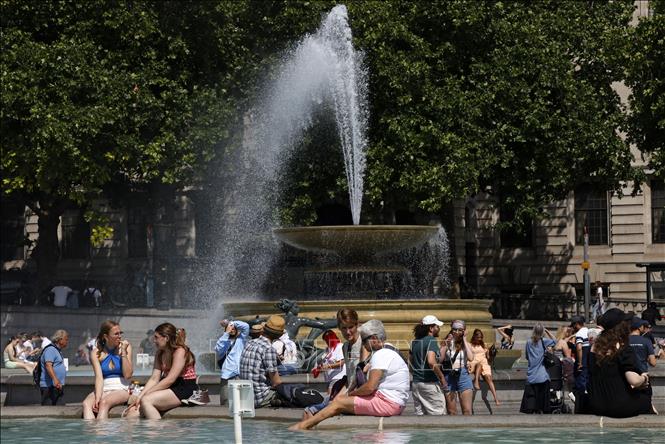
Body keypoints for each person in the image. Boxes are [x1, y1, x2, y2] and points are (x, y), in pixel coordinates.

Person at [289, 319, 410, 431]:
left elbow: (370, 387)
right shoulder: (390, 350)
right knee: (341, 402)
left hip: (388, 404)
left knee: (339, 402)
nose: (363, 344)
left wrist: (350, 395)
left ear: (373, 338)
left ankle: (303, 426)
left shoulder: (380, 354)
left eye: (364, 340)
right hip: (395, 402)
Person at [588, 308, 654, 417]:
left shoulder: (593, 348)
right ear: (622, 327)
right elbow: (634, 381)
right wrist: (644, 378)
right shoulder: (623, 348)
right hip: (619, 406)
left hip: (596, 405)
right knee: (646, 395)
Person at [126, 323, 198, 419]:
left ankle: (158, 432)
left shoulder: (180, 351)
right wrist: (140, 395)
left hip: (184, 387)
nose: (154, 340)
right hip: (169, 387)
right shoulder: (159, 353)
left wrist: (146, 394)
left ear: (166, 338)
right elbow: (154, 378)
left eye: (156, 337)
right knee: (132, 412)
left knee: (146, 400)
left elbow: (170, 379)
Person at [82, 321, 133, 419]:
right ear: (106, 336)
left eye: (120, 333)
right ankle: (91, 432)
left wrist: (123, 352)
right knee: (86, 404)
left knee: (104, 403)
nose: (119, 336)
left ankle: (101, 432)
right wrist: (98, 397)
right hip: (104, 388)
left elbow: (128, 375)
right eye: (116, 334)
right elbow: (99, 378)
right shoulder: (95, 353)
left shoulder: (126, 347)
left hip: (121, 388)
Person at [239, 315, 285, 408]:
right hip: (260, 398)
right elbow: (277, 382)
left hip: (245, 396)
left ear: (264, 329)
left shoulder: (249, 343)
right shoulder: (268, 349)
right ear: (279, 335)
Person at [410, 315, 448, 415]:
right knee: (438, 417)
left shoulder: (414, 342)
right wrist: (442, 378)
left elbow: (410, 363)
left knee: (421, 419)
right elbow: (431, 362)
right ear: (431, 328)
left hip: (416, 384)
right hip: (429, 384)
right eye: (437, 326)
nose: (438, 329)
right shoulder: (431, 340)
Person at [440, 320, 475, 415]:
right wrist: (444, 345)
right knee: (452, 411)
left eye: (460, 330)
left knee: (467, 410)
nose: (457, 332)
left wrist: (464, 339)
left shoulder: (466, 344)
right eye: (454, 329)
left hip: (462, 373)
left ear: (464, 331)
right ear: (451, 329)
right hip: (449, 374)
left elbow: (471, 358)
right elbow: (440, 360)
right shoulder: (447, 341)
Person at [520, 323, 555, 414]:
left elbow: (527, 356)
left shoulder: (528, 342)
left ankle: (532, 409)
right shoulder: (544, 341)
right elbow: (555, 340)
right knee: (543, 396)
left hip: (531, 374)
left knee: (531, 396)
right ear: (542, 332)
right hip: (542, 375)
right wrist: (547, 331)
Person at [215, 319, 249, 406]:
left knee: (242, 403)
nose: (232, 329)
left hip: (240, 374)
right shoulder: (223, 340)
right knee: (225, 403)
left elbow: (246, 326)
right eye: (230, 328)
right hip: (227, 375)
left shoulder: (241, 340)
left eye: (234, 328)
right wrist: (226, 333)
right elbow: (218, 350)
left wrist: (231, 323)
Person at [468, 328, 500, 405]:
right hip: (474, 362)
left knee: (489, 378)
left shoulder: (484, 345)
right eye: (478, 337)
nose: (480, 339)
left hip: (484, 363)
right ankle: (476, 382)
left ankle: (496, 398)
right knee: (479, 365)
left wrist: (492, 354)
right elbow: (467, 356)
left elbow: (489, 359)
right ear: (474, 337)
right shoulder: (470, 345)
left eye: (481, 338)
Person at [40, 329, 69, 405]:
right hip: (49, 386)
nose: (67, 342)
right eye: (66, 339)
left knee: (61, 408)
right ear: (60, 339)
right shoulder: (50, 349)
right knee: (48, 409)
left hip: (57, 385)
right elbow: (48, 366)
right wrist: (55, 379)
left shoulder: (57, 350)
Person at [570, 315, 590, 400]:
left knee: (580, 385)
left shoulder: (579, 334)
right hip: (589, 362)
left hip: (583, 362)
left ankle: (581, 403)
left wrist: (580, 363)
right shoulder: (589, 332)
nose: (573, 328)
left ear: (577, 324)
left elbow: (579, 348)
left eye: (573, 325)